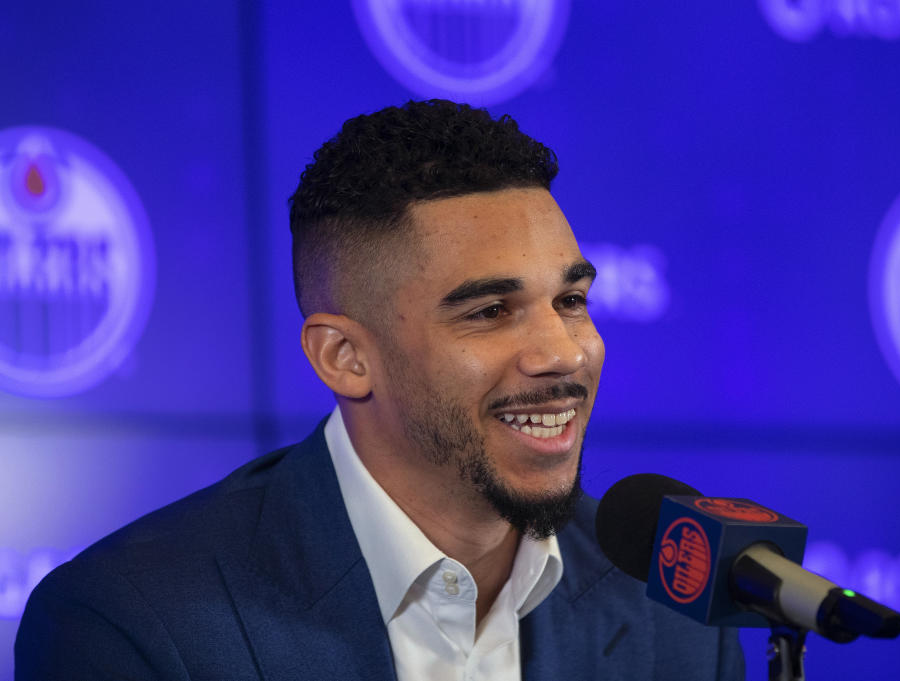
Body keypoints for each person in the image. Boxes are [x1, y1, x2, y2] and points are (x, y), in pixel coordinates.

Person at [15, 100, 744, 680]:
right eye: (491, 311)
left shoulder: (667, 605)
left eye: (571, 301)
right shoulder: (133, 624)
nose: (562, 352)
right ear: (343, 357)